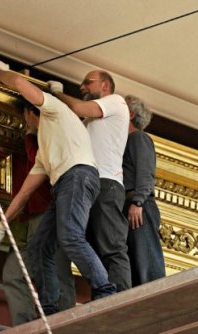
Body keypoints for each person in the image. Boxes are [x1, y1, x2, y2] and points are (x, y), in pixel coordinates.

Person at [0, 60, 116, 316]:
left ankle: (104, 289)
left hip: (78, 175)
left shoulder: (55, 110)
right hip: (66, 183)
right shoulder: (45, 148)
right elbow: (24, 194)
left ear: (30, 113)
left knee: (70, 237)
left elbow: (21, 83)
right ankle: (49, 304)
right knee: (39, 246)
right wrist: (2, 226)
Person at [49, 70, 132, 292]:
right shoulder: (89, 120)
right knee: (91, 244)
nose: (82, 87)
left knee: (111, 246)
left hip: (107, 183)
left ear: (105, 85)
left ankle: (121, 298)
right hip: (92, 182)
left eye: (87, 82)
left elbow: (76, 107)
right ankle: (104, 294)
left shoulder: (115, 102)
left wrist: (58, 93)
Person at [0, 97, 75, 325]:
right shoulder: (36, 141)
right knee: (15, 274)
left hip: (52, 218)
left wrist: (31, 134)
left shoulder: (52, 138)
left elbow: (40, 165)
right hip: (33, 222)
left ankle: (63, 326)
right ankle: (26, 328)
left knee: (58, 273)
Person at [122, 95, 165, 286]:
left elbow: (146, 173)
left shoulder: (138, 137)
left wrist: (138, 201)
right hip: (129, 205)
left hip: (138, 206)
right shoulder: (123, 142)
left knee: (144, 259)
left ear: (130, 114)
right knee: (134, 260)